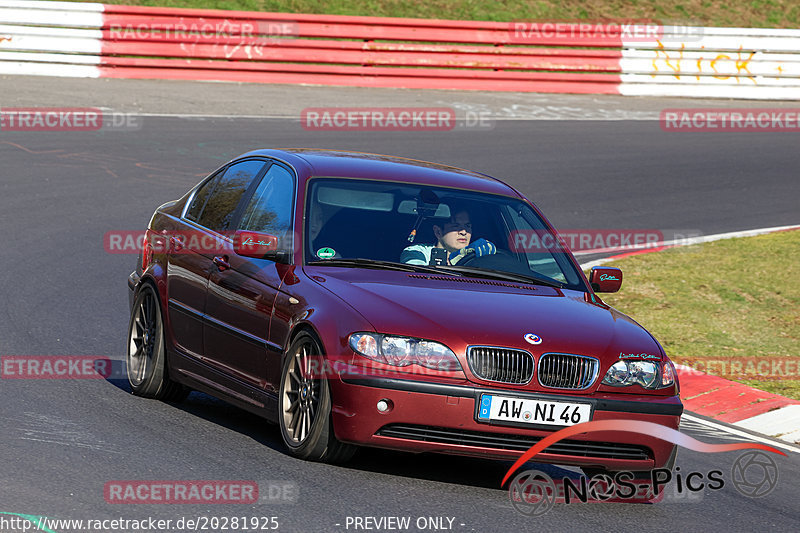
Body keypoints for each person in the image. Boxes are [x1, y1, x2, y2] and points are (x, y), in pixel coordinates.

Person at [400, 209, 496, 265]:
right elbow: (417, 280)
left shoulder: (477, 253)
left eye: (467, 226)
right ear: (438, 232)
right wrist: (455, 259)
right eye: (456, 226)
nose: (463, 232)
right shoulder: (417, 252)